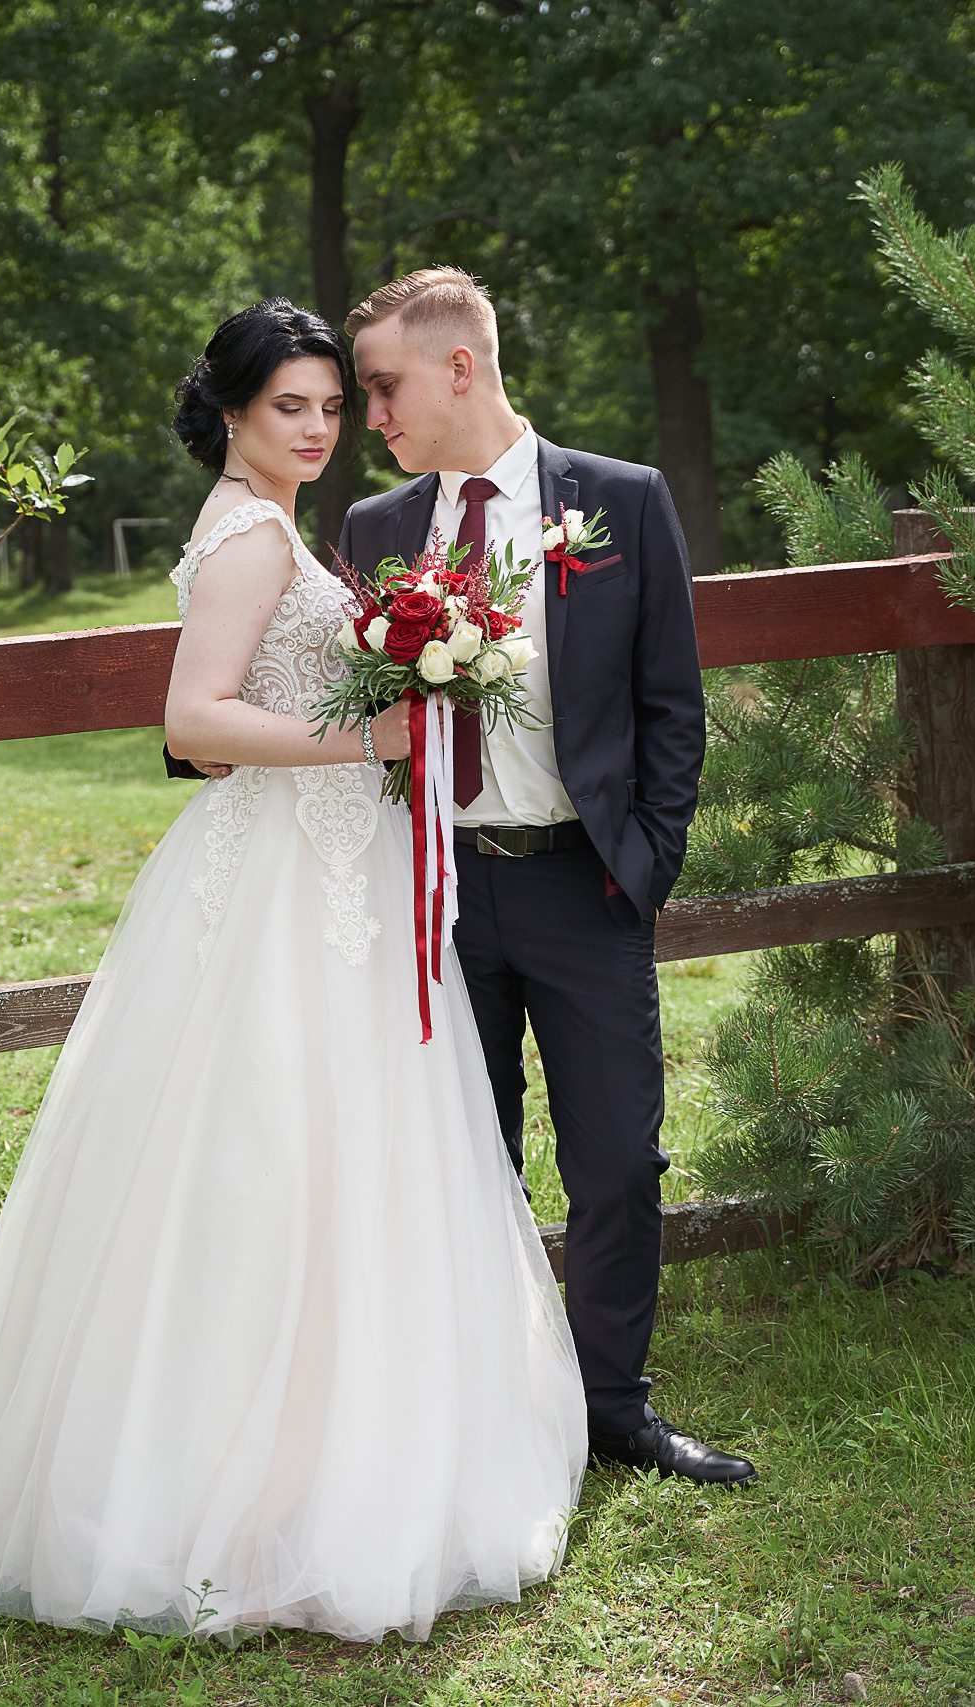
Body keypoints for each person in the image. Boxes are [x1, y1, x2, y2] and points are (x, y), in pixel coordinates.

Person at [0, 299, 586, 1643]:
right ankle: (243, 1495)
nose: (318, 430)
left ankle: (316, 1462)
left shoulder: (263, 520)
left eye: (331, 407)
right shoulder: (251, 535)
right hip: (280, 876)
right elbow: (194, 720)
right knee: (273, 1149)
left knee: (329, 1160)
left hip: (330, 868)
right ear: (230, 412)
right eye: (288, 408)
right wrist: (374, 741)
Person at [337, 267, 757, 1489]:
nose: (373, 414)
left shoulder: (619, 502)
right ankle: (482, 1412)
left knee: (619, 1160)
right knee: (465, 1160)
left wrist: (645, 863)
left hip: (585, 885)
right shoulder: (373, 531)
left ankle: (613, 1409)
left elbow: (671, 704)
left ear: (459, 367)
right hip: (436, 892)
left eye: (385, 387)